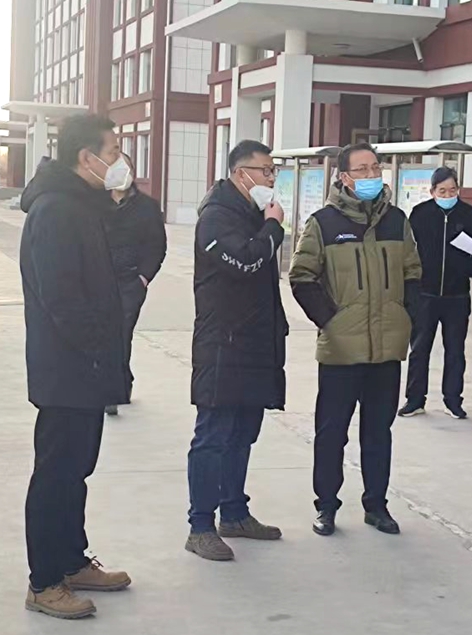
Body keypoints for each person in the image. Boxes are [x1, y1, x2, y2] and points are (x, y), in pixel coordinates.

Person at [19, 114, 132, 620]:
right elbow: (62, 298)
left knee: (75, 473)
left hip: (86, 368)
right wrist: (97, 348)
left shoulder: (82, 205)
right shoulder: (55, 210)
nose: (120, 161)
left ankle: (71, 561)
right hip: (66, 369)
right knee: (56, 476)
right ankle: (44, 582)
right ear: (86, 158)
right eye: (113, 151)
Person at [289, 142, 422, 537]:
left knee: (379, 432)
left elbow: (413, 273)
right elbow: (302, 277)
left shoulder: (397, 221)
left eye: (375, 168)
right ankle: (326, 506)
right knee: (332, 433)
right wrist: (332, 321)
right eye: (362, 170)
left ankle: (376, 506)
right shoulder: (324, 223)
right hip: (341, 350)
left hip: (386, 349)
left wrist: (405, 317)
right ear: (344, 177)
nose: (371, 176)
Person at [186, 140, 286, 562]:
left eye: (273, 171)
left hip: (255, 340)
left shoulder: (251, 213)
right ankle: (200, 526)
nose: (270, 178)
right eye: (265, 171)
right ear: (241, 173)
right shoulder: (216, 216)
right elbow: (245, 261)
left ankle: (234, 513)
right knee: (214, 434)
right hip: (223, 342)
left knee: (244, 432)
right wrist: (274, 228)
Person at [398, 166, 472, 420]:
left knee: (455, 350)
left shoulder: (469, 214)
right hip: (425, 293)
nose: (448, 195)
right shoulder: (420, 214)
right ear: (432, 191)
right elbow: (407, 250)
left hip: (457, 295)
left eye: (452, 190)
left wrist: (466, 269)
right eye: (442, 191)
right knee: (419, 348)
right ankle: (415, 399)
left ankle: (453, 400)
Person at [103, 152, 167, 416]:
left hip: (130, 281)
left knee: (121, 331)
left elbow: (157, 245)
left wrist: (143, 277)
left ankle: (113, 389)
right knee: (103, 332)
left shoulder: (147, 207)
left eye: (125, 166)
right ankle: (118, 380)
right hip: (99, 279)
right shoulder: (94, 203)